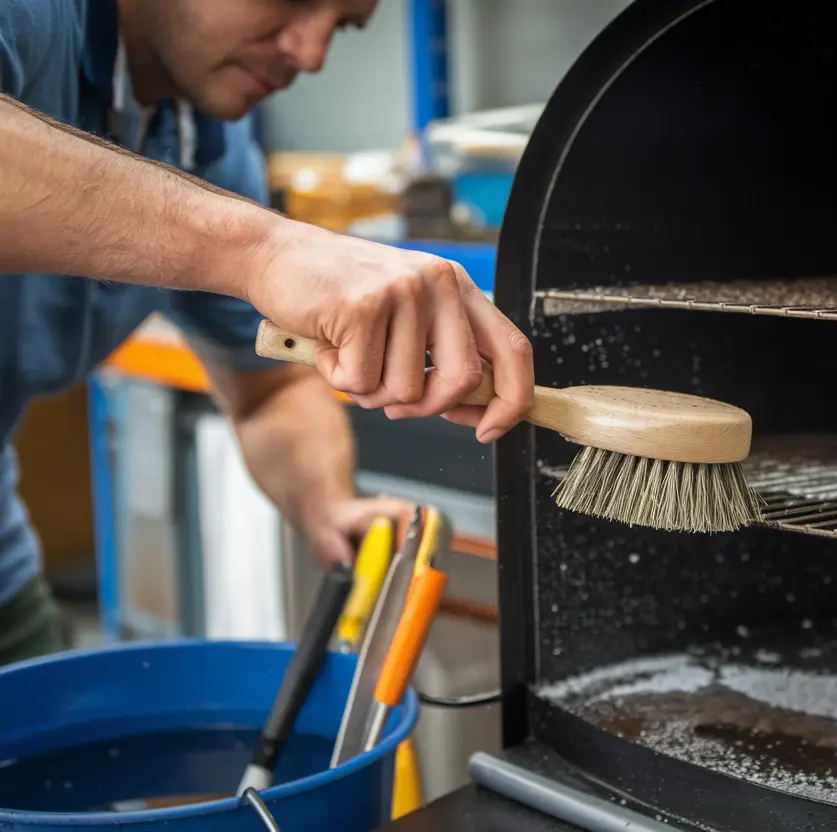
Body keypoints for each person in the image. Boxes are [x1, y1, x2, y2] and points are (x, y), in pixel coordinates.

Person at [0, 0, 535, 664]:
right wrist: (261, 249)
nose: (311, 54)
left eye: (343, 26)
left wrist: (326, 503)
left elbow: (268, 391)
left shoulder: (206, 144)